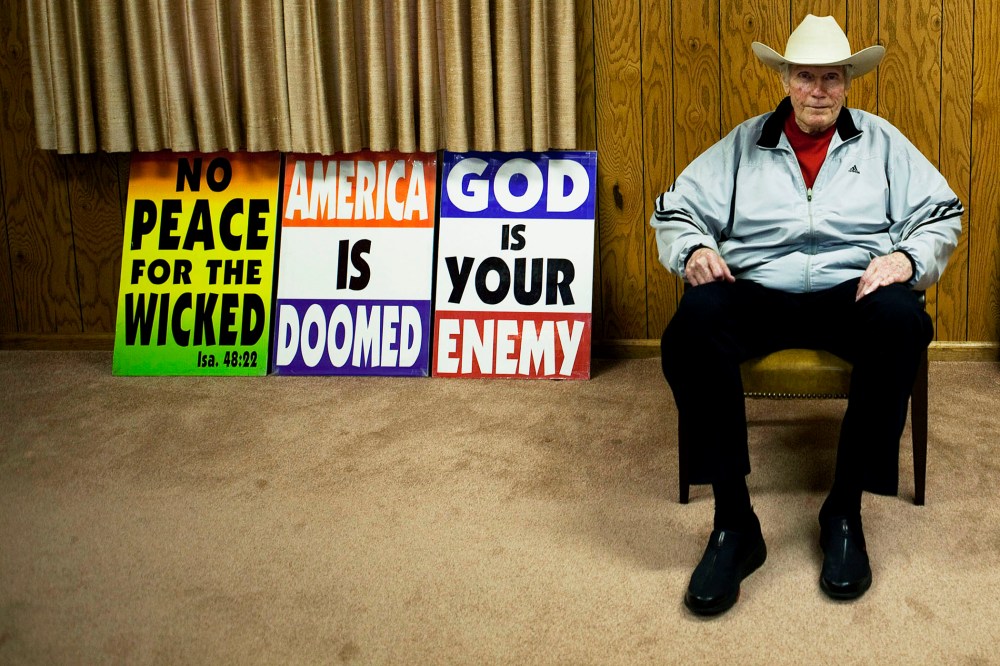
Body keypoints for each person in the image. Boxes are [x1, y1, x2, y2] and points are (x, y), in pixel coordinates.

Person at [650, 14, 963, 616]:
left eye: (831, 77)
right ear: (786, 80)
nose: (818, 89)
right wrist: (694, 248)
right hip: (759, 287)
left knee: (902, 322)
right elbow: (675, 207)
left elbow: (942, 211)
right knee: (693, 325)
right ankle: (734, 525)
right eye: (805, 76)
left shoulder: (882, 142)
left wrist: (905, 257)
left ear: (848, 82)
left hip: (852, 290)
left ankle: (843, 511)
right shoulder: (744, 143)